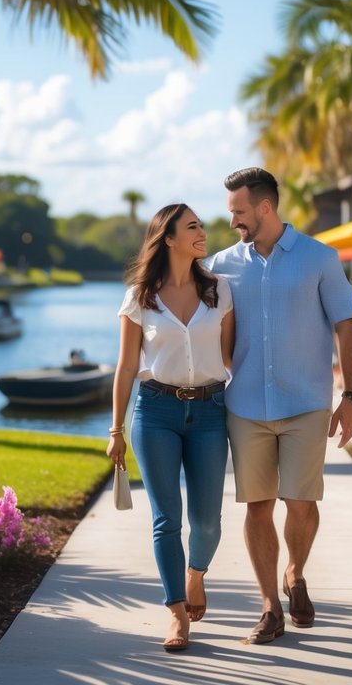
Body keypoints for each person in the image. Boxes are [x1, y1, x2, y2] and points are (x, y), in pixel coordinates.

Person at [207, 167, 352, 645]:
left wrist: (350, 396)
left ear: (265, 207)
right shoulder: (221, 265)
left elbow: (347, 327)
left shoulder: (320, 259)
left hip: (306, 402)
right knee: (257, 506)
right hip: (246, 403)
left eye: (238, 211)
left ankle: (296, 571)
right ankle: (270, 605)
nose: (233, 220)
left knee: (300, 501)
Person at [108, 203, 235, 653]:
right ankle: (177, 614)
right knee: (167, 520)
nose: (203, 232)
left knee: (207, 521)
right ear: (169, 239)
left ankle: (195, 575)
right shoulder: (140, 295)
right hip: (155, 411)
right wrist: (115, 430)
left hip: (208, 412)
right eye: (193, 227)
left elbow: (230, 358)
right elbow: (125, 368)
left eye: (201, 225)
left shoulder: (219, 289)